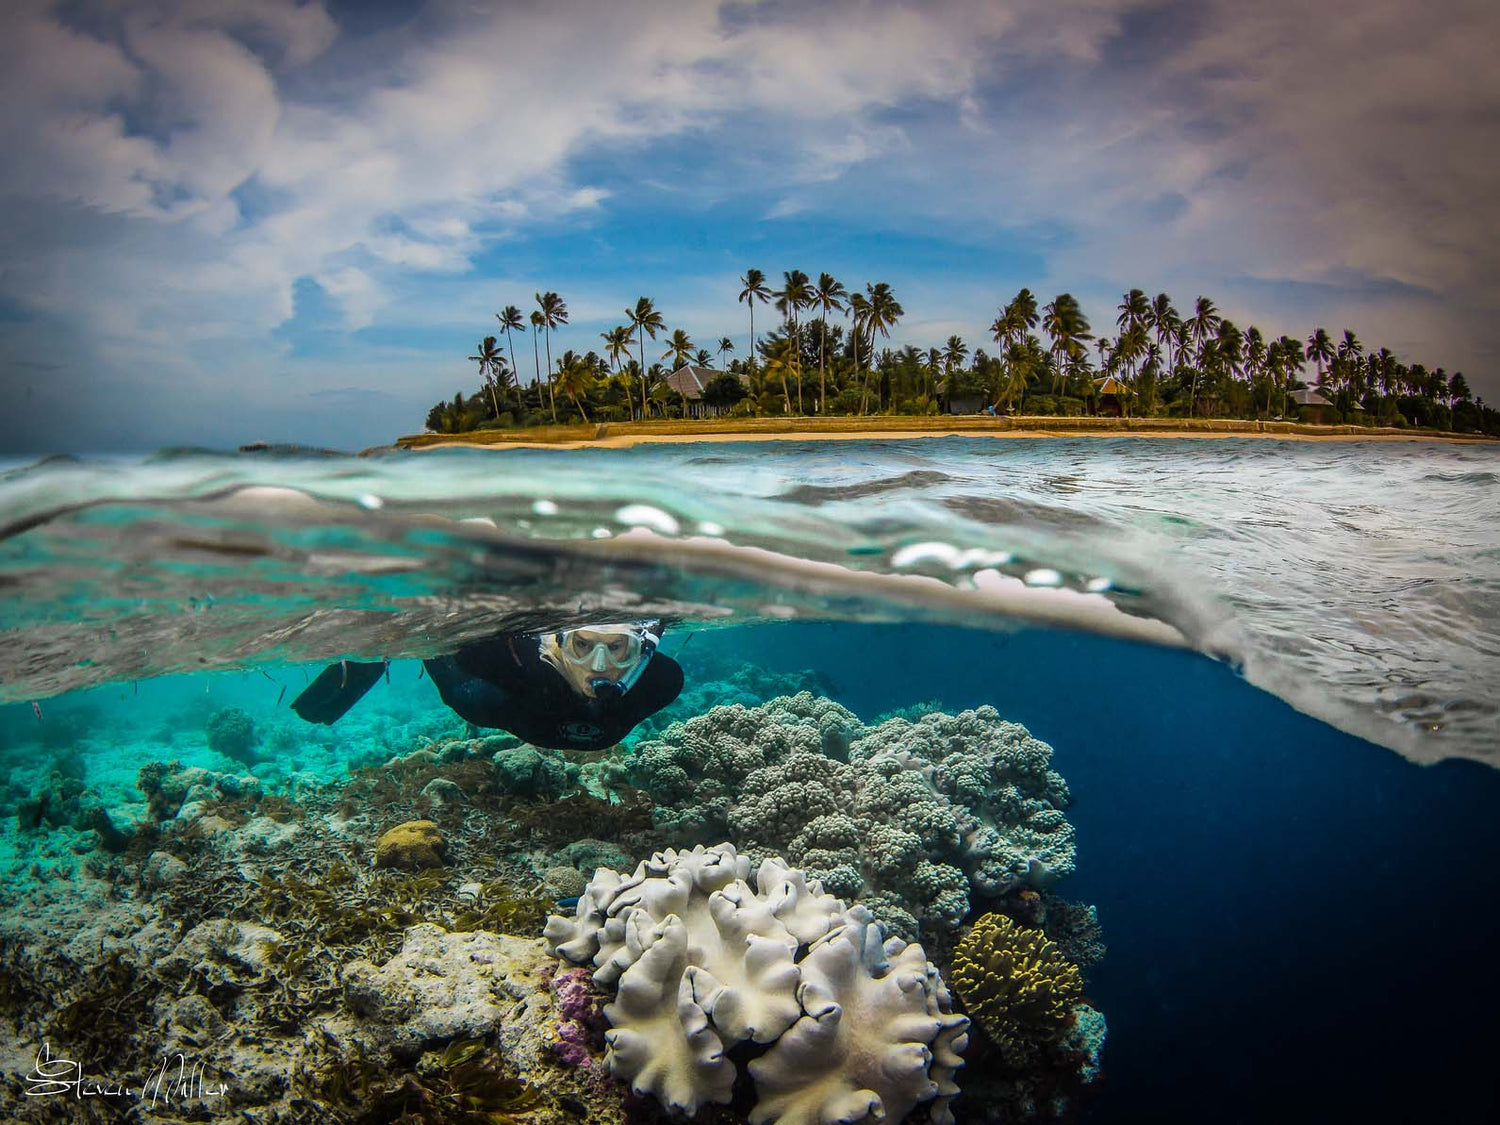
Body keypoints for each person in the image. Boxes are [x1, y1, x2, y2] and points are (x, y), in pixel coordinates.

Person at [290, 620, 682, 752]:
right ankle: (374, 660)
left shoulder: (662, 681)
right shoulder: (503, 671)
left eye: (618, 648)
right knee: (427, 642)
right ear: (559, 640)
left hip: (521, 714)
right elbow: (443, 637)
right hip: (494, 703)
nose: (600, 666)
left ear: (642, 650)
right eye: (581, 645)